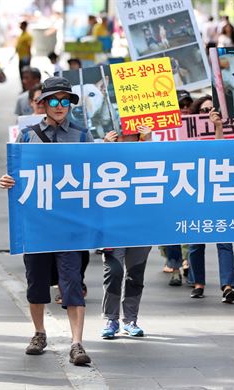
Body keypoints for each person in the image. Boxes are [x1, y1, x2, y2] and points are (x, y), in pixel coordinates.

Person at [0, 76, 94, 365]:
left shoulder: (81, 134)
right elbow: (14, 172)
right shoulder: (27, 135)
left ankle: (77, 343)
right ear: (43, 103)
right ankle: (39, 333)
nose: (60, 105)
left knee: (72, 282)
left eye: (66, 100)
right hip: (37, 224)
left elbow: (97, 174)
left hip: (71, 224)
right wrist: (6, 180)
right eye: (54, 100)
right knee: (36, 284)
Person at [99, 126, 153, 339]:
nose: (123, 136)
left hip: (141, 225)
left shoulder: (145, 153)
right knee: (113, 271)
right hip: (112, 226)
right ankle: (110, 319)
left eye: (129, 132)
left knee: (135, 273)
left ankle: (130, 319)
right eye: (119, 132)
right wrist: (104, 149)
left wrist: (146, 142)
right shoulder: (105, 153)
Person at [186, 96, 234, 302]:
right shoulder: (187, 134)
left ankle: (227, 285)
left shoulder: (221, 132)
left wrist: (217, 128)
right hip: (194, 194)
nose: (208, 112)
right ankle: (198, 282)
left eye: (212, 109)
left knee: (224, 243)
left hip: (218, 194)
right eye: (204, 109)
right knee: (195, 243)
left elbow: (221, 151)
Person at [15, 21, 33, 90]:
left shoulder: (27, 36)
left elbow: (29, 47)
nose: (20, 26)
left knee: (25, 74)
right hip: (20, 57)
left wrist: (29, 57)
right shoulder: (21, 35)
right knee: (21, 73)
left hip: (25, 57)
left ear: (24, 26)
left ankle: (27, 88)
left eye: (21, 25)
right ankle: (24, 88)